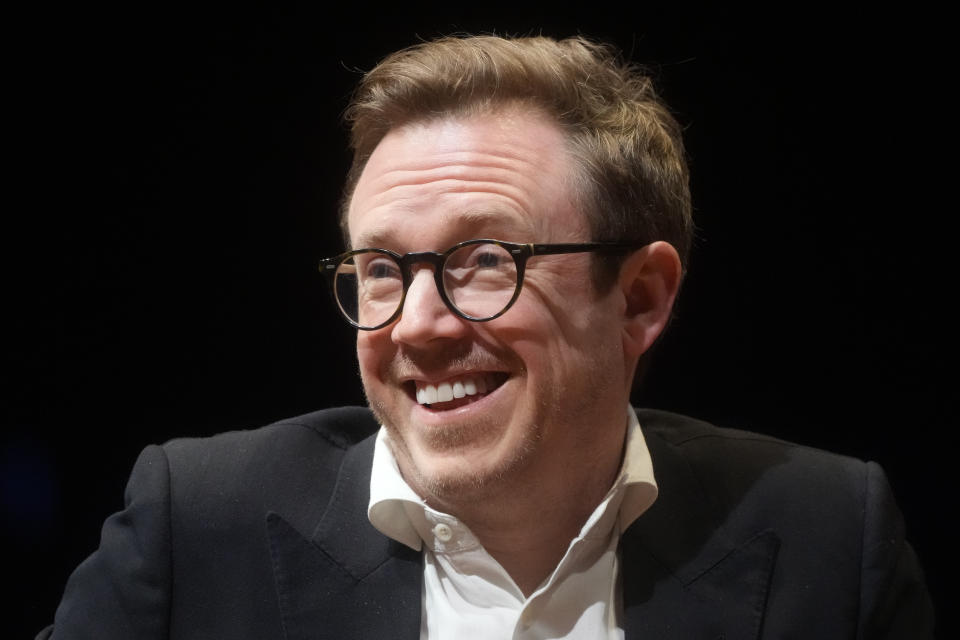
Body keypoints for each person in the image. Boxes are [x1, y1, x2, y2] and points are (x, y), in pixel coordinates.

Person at [40, 34, 933, 639]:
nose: (418, 326)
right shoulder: (195, 522)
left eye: (481, 260)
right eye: (382, 269)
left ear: (640, 297)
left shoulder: (829, 536)